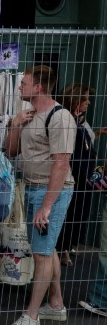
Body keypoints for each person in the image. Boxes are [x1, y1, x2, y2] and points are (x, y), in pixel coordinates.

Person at [4, 65, 75, 325]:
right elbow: (11, 151)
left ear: (39, 88)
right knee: (47, 247)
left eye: (24, 83)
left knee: (42, 254)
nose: (19, 86)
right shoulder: (29, 115)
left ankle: (31, 315)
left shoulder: (61, 117)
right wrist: (14, 124)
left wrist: (47, 206)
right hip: (32, 188)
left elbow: (61, 164)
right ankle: (55, 304)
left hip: (52, 191)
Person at [57, 83, 105, 266]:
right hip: (71, 181)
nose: (89, 102)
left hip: (83, 181)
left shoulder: (81, 122)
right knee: (69, 217)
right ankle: (62, 249)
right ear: (76, 100)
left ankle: (68, 247)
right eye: (85, 98)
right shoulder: (67, 122)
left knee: (77, 217)